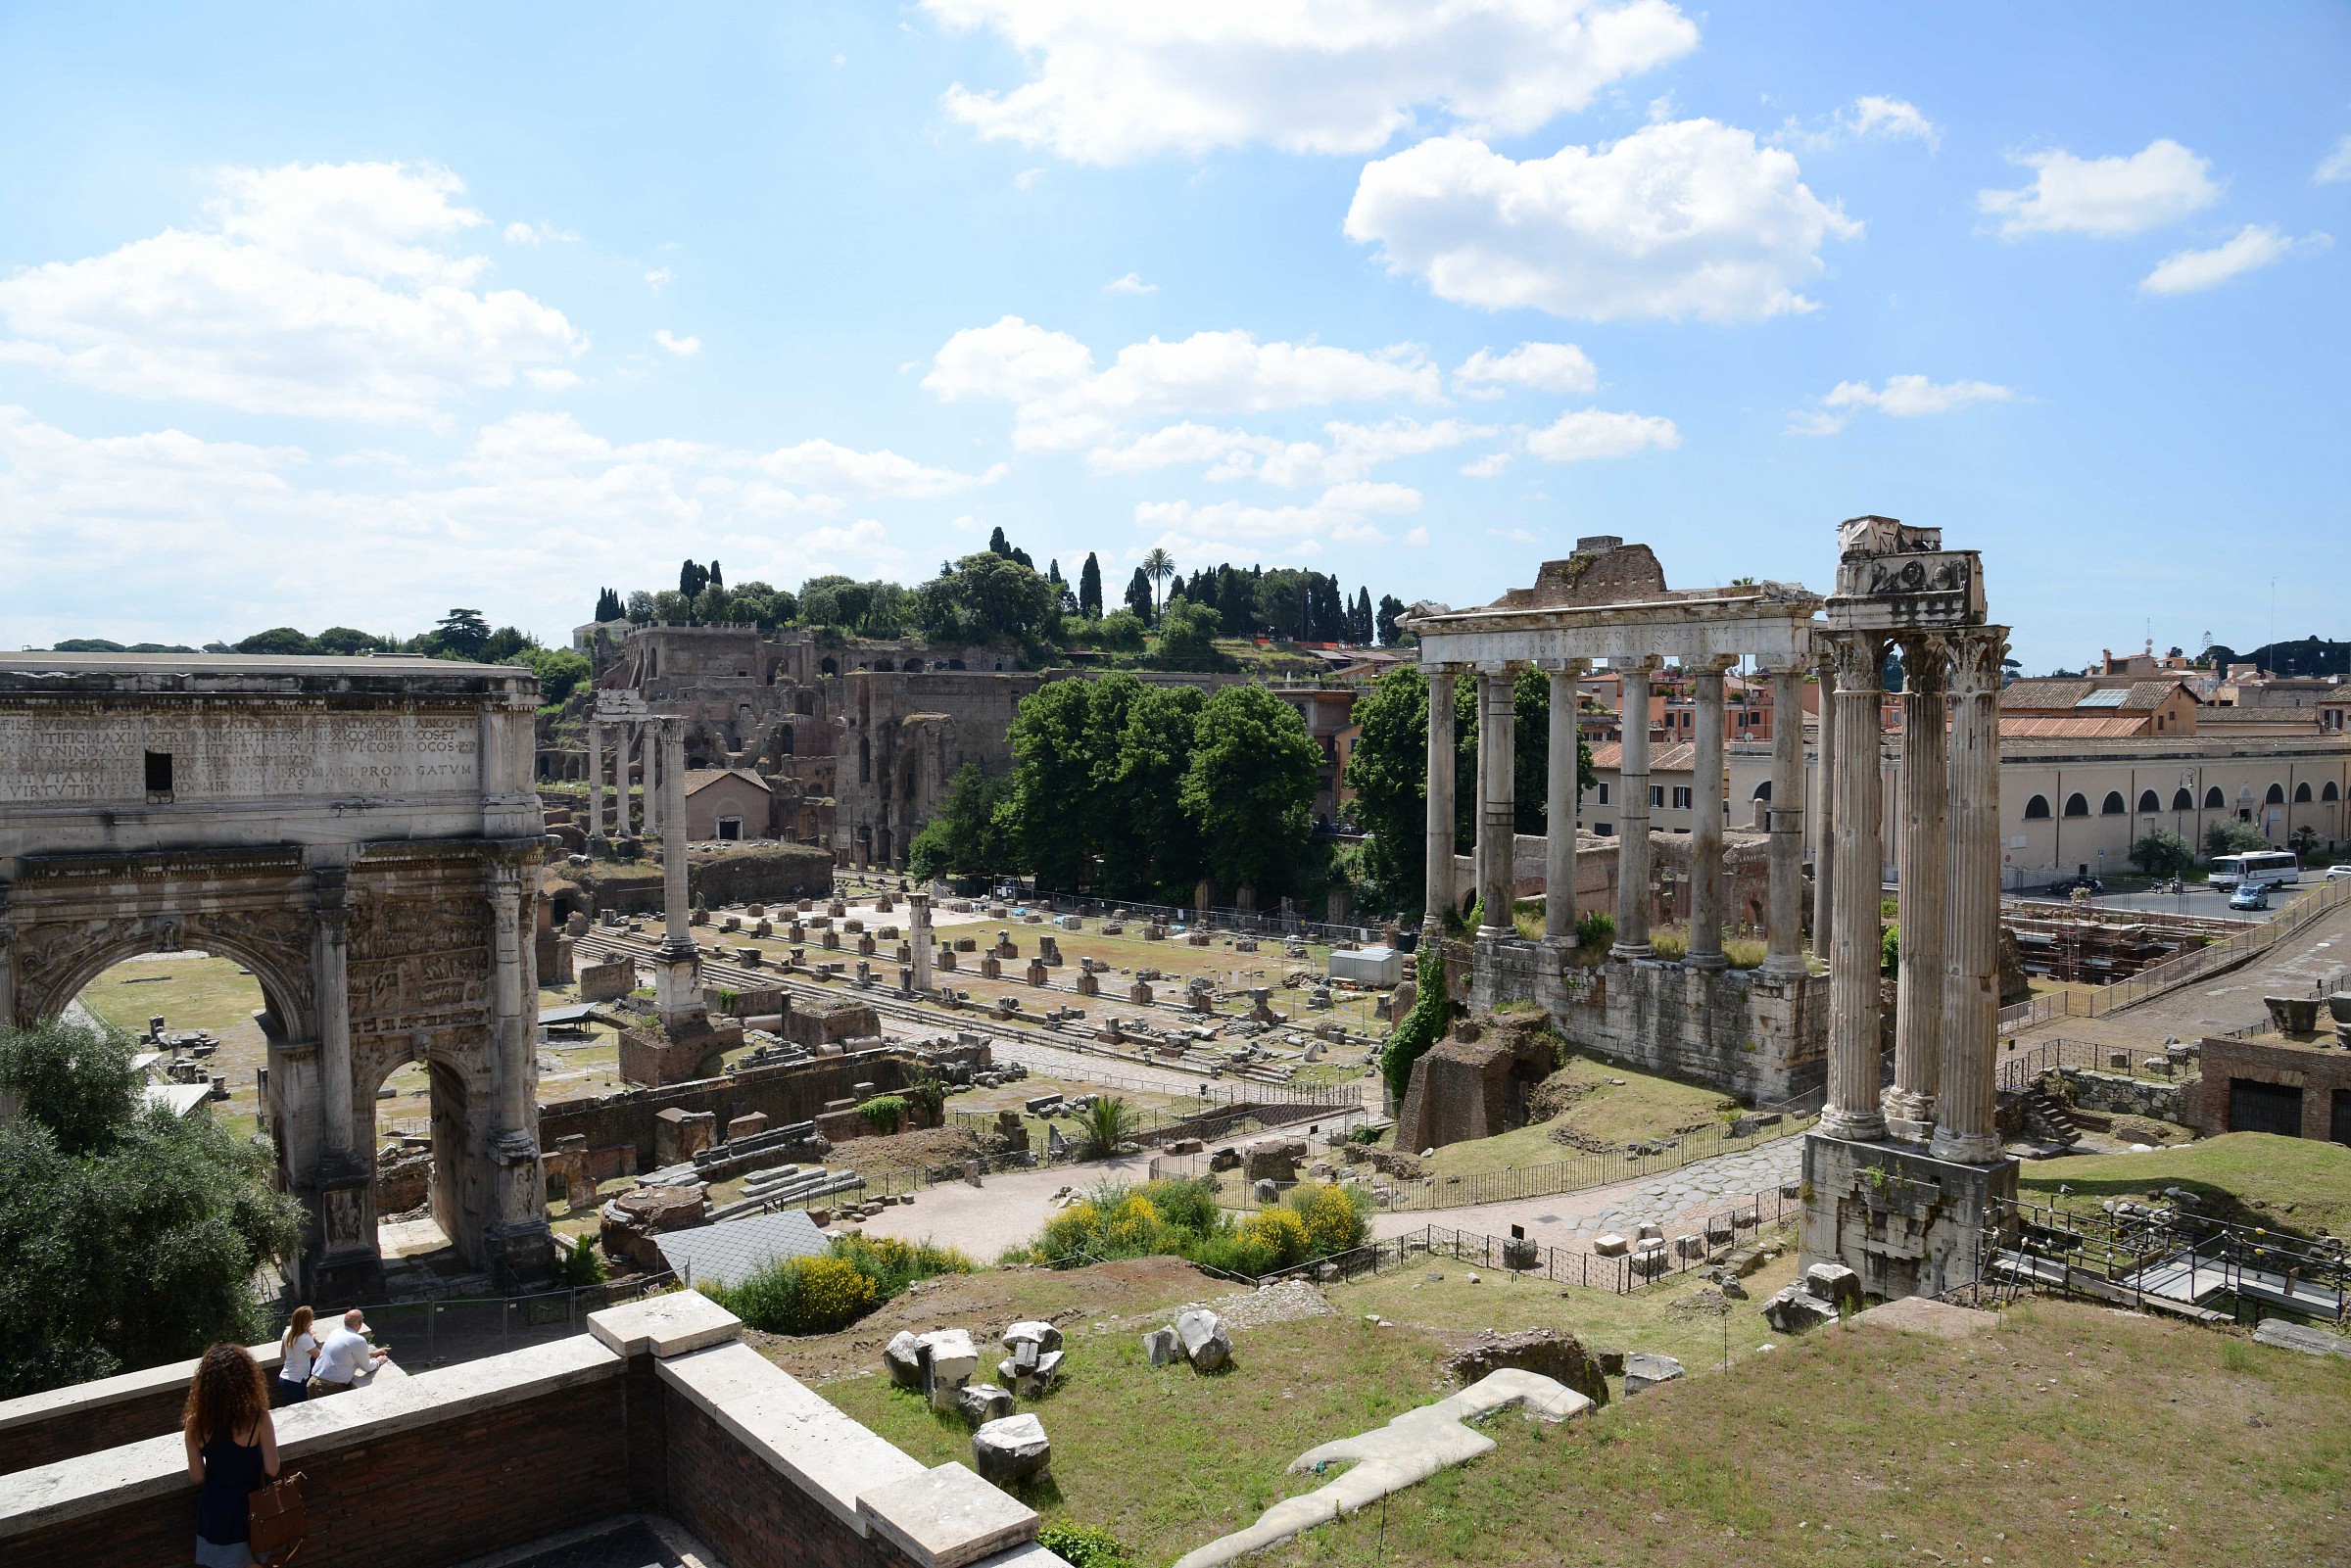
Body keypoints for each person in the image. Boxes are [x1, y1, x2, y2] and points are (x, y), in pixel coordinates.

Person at [184, 1343, 280, 1568]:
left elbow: (197, 1476)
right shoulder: (259, 1418)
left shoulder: (194, 1424)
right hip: (252, 1510)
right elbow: (273, 1469)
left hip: (216, 1510)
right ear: (248, 1379)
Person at [306, 1307, 389, 1398]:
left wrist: (372, 1354)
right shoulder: (358, 1340)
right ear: (360, 1323)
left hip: (312, 1382)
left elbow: (345, 1356)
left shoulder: (336, 1332)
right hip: (328, 1387)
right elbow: (367, 1367)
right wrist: (378, 1361)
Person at [272, 1307, 318, 1407]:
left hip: (284, 1379)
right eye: (311, 1319)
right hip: (297, 1382)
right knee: (303, 1409)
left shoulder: (287, 1332)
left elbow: (283, 1355)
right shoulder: (304, 1339)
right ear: (305, 1321)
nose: (312, 1322)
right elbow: (320, 1356)